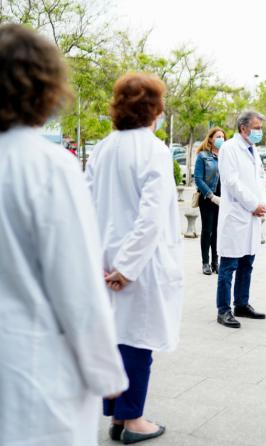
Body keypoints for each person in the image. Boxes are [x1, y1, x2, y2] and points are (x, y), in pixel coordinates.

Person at [0, 24, 128, 445]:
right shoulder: (47, 165)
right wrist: (105, 370)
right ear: (44, 85)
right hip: (33, 368)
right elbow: (76, 284)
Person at [86, 72, 184, 444]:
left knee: (114, 338)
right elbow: (151, 216)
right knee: (137, 341)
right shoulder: (154, 149)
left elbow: (88, 204)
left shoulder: (103, 147)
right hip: (138, 263)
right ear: (154, 109)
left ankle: (116, 414)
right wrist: (128, 267)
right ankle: (133, 419)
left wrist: (101, 261)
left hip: (106, 258)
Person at [215, 110, 266, 328]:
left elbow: (261, 179)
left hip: (252, 216)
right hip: (237, 214)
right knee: (229, 265)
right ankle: (223, 309)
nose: (259, 132)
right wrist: (252, 205)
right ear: (243, 128)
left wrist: (262, 205)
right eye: (256, 128)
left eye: (260, 128)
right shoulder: (229, 149)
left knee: (247, 262)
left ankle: (242, 304)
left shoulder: (253, 149)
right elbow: (232, 182)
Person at [194, 127, 224, 275]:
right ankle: (205, 262)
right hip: (208, 198)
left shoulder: (225, 156)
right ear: (211, 138)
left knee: (217, 231)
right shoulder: (202, 156)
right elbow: (198, 179)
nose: (221, 140)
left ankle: (215, 262)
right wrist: (211, 196)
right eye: (218, 136)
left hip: (223, 199)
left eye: (223, 137)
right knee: (207, 230)